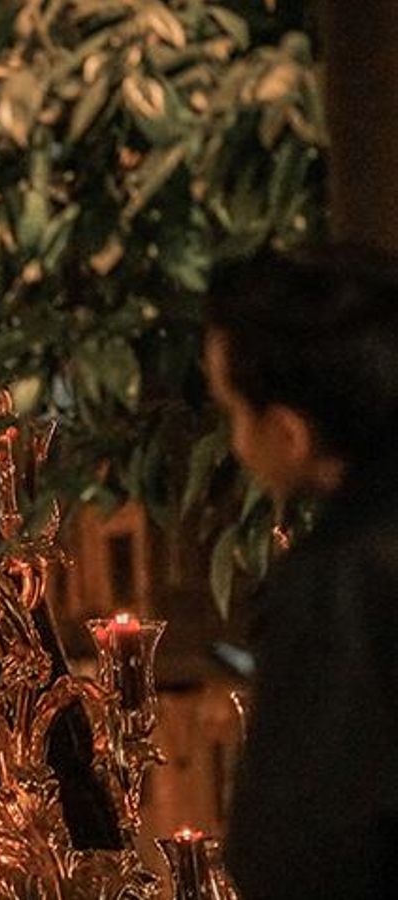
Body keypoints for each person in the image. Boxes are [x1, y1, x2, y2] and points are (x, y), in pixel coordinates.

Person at [205, 248, 398, 899]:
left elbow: (298, 845)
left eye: (233, 413)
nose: (236, 443)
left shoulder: (339, 575)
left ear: (290, 432)